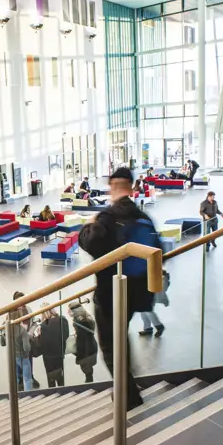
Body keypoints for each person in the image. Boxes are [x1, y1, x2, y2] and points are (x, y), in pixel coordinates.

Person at [78, 167, 159, 410]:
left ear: (112, 187)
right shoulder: (143, 217)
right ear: (132, 187)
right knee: (120, 338)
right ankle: (129, 385)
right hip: (138, 293)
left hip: (111, 295)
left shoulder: (106, 218)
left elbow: (89, 242)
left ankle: (128, 397)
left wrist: (88, 225)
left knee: (110, 348)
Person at [38, 305, 69, 387]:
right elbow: (66, 335)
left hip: (48, 356)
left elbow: (42, 344)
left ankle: (53, 395)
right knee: (60, 377)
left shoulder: (43, 326)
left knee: (51, 379)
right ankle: (62, 392)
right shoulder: (62, 320)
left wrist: (39, 335)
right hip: (59, 352)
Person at [68, 302, 97, 383]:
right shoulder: (87, 317)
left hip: (85, 349)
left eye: (69, 311)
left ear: (75, 311)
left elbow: (83, 335)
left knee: (88, 374)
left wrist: (77, 336)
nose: (68, 312)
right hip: (91, 346)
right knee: (89, 372)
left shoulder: (78, 321)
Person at [10, 307, 33, 391]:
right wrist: (27, 354)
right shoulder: (22, 329)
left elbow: (3, 342)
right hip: (22, 356)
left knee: (14, 379)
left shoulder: (7, 329)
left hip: (12, 356)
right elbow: (26, 347)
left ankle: (15, 396)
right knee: (27, 378)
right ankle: (28, 396)